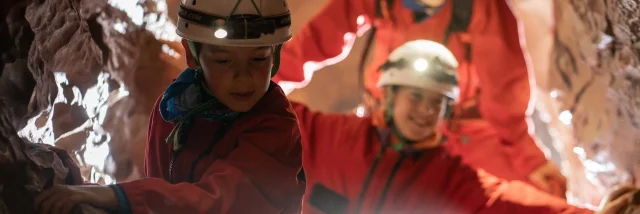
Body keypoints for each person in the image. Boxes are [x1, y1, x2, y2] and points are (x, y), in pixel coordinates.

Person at [291, 40, 634, 214]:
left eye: (436, 102)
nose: (426, 111)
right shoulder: (330, 137)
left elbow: (513, 205)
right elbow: (264, 110)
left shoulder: (448, 178)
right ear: (389, 93)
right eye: (416, 97)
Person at [33, 0, 305, 213]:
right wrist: (82, 188)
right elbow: (169, 197)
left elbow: (221, 203)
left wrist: (114, 196)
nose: (243, 77)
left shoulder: (275, 128)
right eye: (224, 61)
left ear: (275, 56)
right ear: (191, 54)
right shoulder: (176, 108)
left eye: (258, 59)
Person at [273, 0, 566, 197]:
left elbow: (504, 94)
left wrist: (531, 163)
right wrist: (266, 88)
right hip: (385, 120)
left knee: (524, 196)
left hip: (460, 129)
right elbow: (318, 38)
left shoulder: (482, 8)